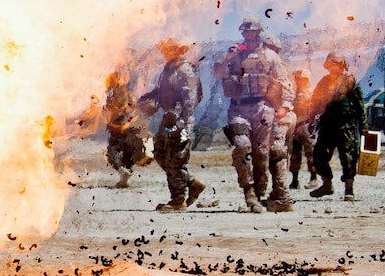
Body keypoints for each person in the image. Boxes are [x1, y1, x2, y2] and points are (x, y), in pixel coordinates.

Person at [214, 18, 296, 213]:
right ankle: (249, 191)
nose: (249, 35)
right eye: (246, 32)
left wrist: (285, 106)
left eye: (252, 31)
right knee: (242, 147)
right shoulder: (235, 55)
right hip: (238, 109)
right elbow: (217, 73)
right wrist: (227, 58)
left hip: (262, 109)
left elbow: (286, 83)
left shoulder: (270, 56)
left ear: (258, 32)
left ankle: (259, 192)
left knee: (261, 153)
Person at [138, 37, 205, 211]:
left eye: (170, 49)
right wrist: (144, 99)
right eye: (165, 49)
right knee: (160, 153)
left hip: (181, 123)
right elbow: (161, 92)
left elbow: (190, 102)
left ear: (179, 51)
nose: (165, 52)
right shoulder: (168, 70)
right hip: (169, 120)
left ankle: (178, 200)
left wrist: (181, 126)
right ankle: (190, 183)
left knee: (176, 158)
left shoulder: (186, 71)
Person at [310, 51, 366, 202]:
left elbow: (360, 105)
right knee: (319, 156)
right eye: (331, 65)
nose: (333, 68)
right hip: (327, 126)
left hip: (346, 127)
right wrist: (311, 119)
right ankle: (326, 184)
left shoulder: (350, 81)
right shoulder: (323, 82)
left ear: (342, 65)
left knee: (348, 158)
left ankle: (349, 190)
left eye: (336, 64)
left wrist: (364, 126)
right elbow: (315, 102)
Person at [103, 68, 151, 187]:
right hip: (128, 126)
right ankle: (125, 177)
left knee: (112, 153)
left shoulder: (115, 94)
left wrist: (117, 123)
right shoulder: (126, 92)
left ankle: (124, 173)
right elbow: (135, 107)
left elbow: (114, 109)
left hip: (120, 127)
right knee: (127, 153)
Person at [288, 68, 319, 190]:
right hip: (295, 126)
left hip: (307, 126)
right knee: (295, 155)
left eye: (301, 79)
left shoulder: (311, 93)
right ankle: (295, 180)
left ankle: (313, 178)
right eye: (297, 79)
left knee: (311, 154)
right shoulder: (294, 94)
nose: (298, 82)